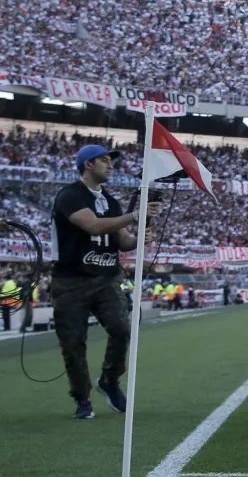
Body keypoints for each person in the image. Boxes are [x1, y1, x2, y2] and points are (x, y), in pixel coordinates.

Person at [50, 145, 155, 419]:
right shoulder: (70, 195)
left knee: (123, 327)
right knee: (73, 343)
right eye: (104, 160)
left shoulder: (112, 202)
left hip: (106, 279)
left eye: (111, 161)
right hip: (71, 280)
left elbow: (124, 242)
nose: (110, 165)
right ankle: (82, 398)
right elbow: (93, 226)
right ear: (87, 164)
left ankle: (109, 380)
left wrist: (143, 234)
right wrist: (135, 215)